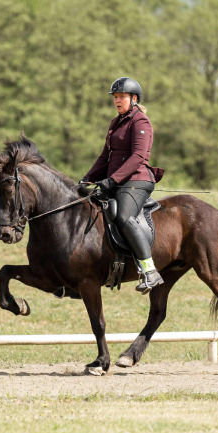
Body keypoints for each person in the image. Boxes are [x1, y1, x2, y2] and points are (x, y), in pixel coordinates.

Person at [79, 77, 165, 294]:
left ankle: (150, 271)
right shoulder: (115, 122)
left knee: (124, 217)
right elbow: (104, 157)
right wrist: (87, 178)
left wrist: (112, 179)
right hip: (116, 182)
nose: (117, 100)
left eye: (122, 97)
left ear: (134, 99)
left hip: (137, 181)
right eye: (115, 97)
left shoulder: (141, 122)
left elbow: (138, 157)